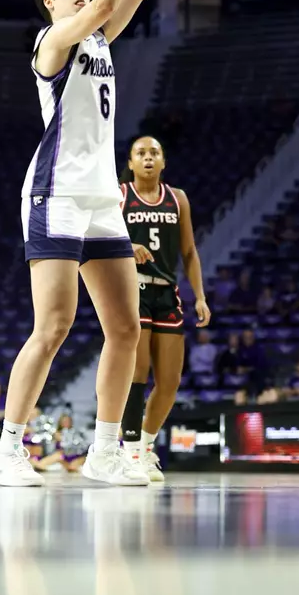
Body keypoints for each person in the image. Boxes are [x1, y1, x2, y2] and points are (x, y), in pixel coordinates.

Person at [0, 0, 167, 488]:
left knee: (125, 328)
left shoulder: (98, 42)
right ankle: (7, 447)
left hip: (100, 199)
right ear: (48, 3)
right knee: (54, 326)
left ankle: (106, 450)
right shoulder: (51, 45)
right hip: (55, 193)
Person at [118, 135, 210, 481]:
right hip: (132, 290)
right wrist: (129, 245)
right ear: (130, 163)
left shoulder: (178, 199)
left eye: (154, 152)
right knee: (138, 371)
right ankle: (128, 451)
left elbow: (189, 251)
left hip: (167, 292)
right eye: (140, 153)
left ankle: (145, 446)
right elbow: (99, 239)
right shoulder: (121, 196)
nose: (147, 158)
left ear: (163, 161)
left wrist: (199, 296)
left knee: (170, 381)